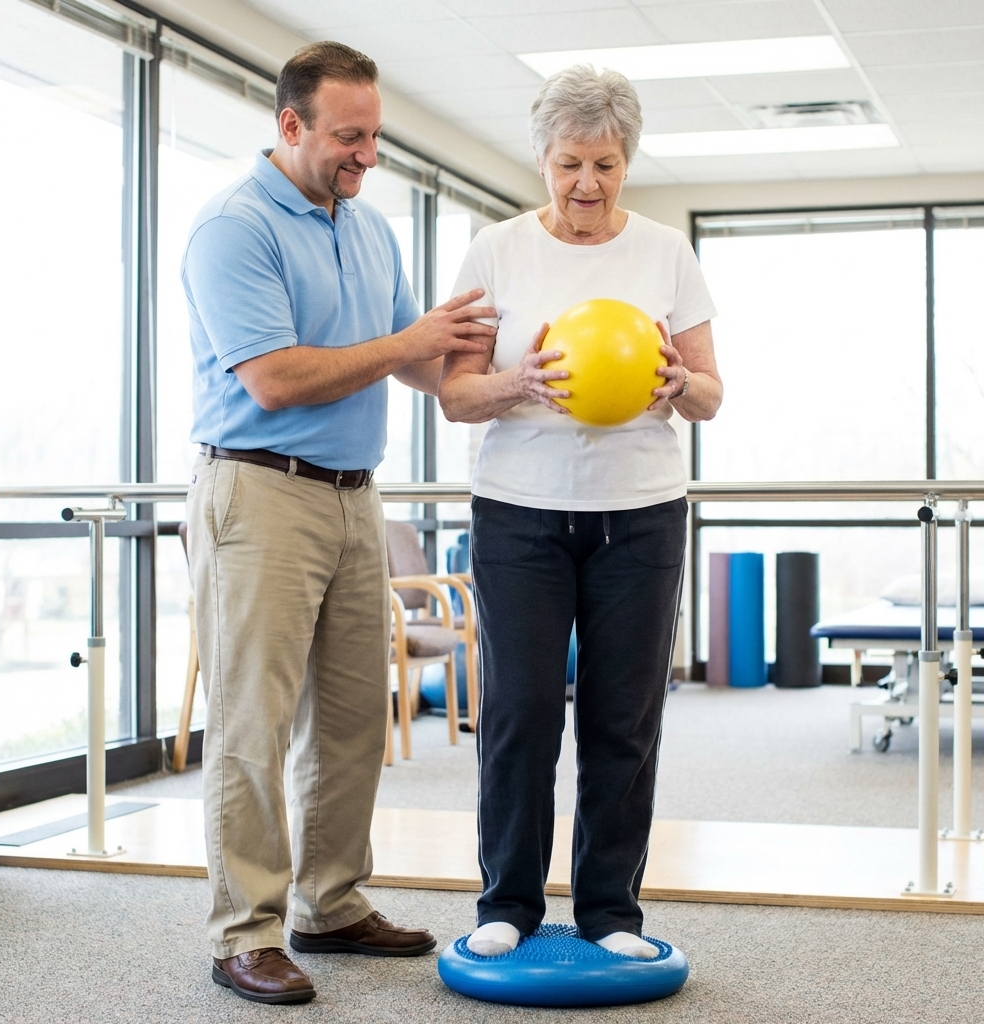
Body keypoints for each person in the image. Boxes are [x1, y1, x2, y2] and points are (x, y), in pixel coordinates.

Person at [182, 41, 496, 1005]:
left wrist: (493, 364)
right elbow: (274, 379)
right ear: (291, 125)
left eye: (375, 139)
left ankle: (331, 902)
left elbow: (409, 359)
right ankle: (245, 929)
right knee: (253, 724)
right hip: (260, 491)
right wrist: (409, 341)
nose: (366, 157)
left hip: (357, 493)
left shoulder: (366, 228)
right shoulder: (232, 229)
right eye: (348, 138)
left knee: (356, 717)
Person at [438, 65, 723, 959]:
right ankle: (507, 904)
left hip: (639, 513)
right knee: (521, 711)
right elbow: (455, 396)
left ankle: (610, 912)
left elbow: (712, 394)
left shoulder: (667, 253)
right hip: (520, 512)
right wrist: (520, 381)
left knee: (623, 714)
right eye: (569, 164)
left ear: (627, 161)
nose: (587, 185)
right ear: (541, 159)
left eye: (604, 163)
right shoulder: (495, 249)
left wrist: (681, 382)